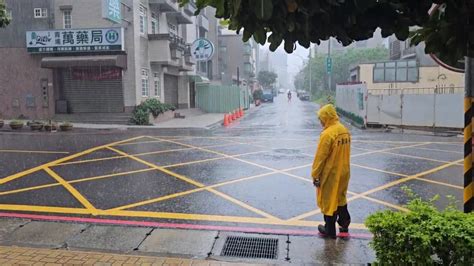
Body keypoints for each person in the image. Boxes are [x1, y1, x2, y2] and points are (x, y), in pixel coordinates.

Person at [311, 104, 351, 239]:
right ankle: (344, 223)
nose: (320, 122)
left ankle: (329, 230)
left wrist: (315, 175)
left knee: (328, 200)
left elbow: (320, 158)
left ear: (326, 117)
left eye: (321, 118)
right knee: (340, 197)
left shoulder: (327, 134)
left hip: (331, 173)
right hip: (344, 171)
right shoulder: (343, 129)